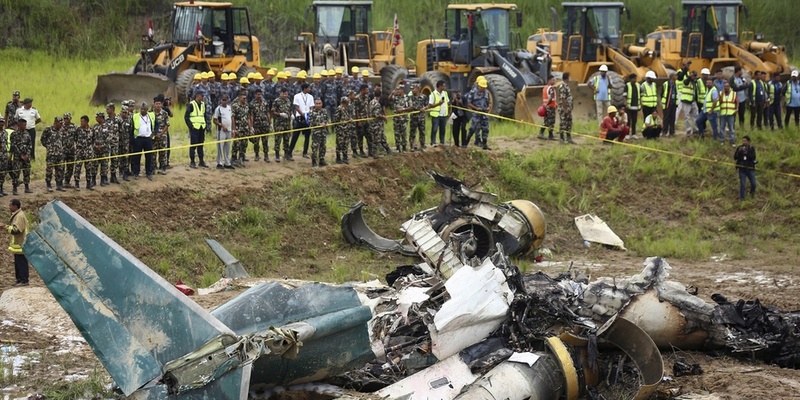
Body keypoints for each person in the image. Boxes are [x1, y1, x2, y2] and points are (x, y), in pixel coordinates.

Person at [0, 199, 29, 286]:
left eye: (10, 206)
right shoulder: (17, 215)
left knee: (21, 263)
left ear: (15, 206)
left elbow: (17, 230)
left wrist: (5, 227)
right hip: (18, 245)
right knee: (18, 263)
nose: (9, 207)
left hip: (21, 244)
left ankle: (24, 280)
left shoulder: (19, 216)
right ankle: (19, 279)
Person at [130, 103, 156, 180]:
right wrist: (133, 140)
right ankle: (136, 173)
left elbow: (157, 125)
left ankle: (149, 172)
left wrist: (154, 133)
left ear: (147, 109)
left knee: (149, 157)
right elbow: (131, 129)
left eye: (144, 109)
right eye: (141, 109)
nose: (142, 110)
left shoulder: (152, 115)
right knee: (137, 157)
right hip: (138, 139)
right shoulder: (135, 116)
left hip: (148, 139)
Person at [40, 116, 65, 192]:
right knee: (49, 170)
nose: (61, 125)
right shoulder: (48, 129)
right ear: (56, 123)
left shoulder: (61, 130)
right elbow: (42, 139)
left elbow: (62, 140)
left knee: (60, 170)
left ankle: (59, 185)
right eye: (60, 123)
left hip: (60, 154)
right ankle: (48, 185)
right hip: (51, 154)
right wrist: (48, 146)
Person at [185, 91, 209, 168]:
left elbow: (204, 116)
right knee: (193, 145)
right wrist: (191, 126)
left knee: (200, 145)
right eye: (202, 96)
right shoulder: (191, 104)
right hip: (194, 128)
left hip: (202, 127)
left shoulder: (203, 105)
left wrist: (205, 125)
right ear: (197, 96)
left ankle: (201, 161)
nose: (203, 97)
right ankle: (192, 161)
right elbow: (186, 117)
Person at [290, 83, 314, 160]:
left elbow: (312, 107)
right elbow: (296, 107)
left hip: (308, 117)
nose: (310, 89)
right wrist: (303, 114)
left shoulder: (310, 97)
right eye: (308, 88)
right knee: (295, 136)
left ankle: (305, 152)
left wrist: (309, 114)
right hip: (299, 117)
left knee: (307, 136)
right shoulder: (297, 96)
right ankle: (289, 152)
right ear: (305, 88)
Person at [10, 119, 33, 194]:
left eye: (25, 125)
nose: (25, 126)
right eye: (24, 125)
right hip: (17, 157)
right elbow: (14, 146)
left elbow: (30, 145)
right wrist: (20, 155)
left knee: (27, 172)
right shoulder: (14, 134)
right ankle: (15, 188)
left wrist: (27, 154)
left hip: (26, 157)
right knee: (16, 173)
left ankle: (27, 187)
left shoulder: (27, 134)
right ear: (19, 125)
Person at [466, 79, 490, 149]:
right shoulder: (473, 92)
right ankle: (466, 142)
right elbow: (468, 103)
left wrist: (488, 107)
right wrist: (476, 108)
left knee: (485, 128)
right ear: (478, 86)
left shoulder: (487, 92)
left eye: (484, 87)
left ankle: (484, 144)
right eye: (482, 87)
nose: (483, 89)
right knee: (473, 128)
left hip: (484, 113)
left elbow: (489, 102)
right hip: (476, 113)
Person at [213, 94, 234, 169]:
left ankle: (227, 162)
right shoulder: (218, 109)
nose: (224, 101)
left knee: (227, 147)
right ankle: (219, 163)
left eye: (225, 100)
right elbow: (214, 120)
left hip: (229, 130)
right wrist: (221, 125)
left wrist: (233, 129)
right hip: (221, 131)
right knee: (220, 146)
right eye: (223, 100)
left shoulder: (229, 108)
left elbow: (232, 118)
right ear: (221, 100)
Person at [230, 91, 252, 166]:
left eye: (245, 98)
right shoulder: (235, 106)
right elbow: (233, 118)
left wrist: (250, 127)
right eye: (243, 98)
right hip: (238, 128)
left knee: (244, 144)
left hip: (245, 128)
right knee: (236, 144)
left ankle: (241, 158)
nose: (245, 99)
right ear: (239, 97)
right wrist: (233, 129)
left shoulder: (246, 106)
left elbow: (248, 117)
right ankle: (233, 159)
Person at [250, 89, 272, 162]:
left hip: (265, 125)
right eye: (258, 94)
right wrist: (251, 126)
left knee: (265, 141)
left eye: (260, 94)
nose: (259, 96)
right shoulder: (252, 103)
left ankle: (266, 155)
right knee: (256, 141)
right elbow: (251, 115)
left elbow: (268, 112)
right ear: (255, 95)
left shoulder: (265, 102)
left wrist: (270, 123)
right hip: (256, 125)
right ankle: (256, 155)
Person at [271, 88, 292, 162]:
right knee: (278, 139)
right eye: (283, 93)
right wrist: (280, 114)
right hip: (279, 123)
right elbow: (273, 111)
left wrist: (291, 115)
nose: (285, 95)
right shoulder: (276, 101)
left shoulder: (288, 100)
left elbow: (290, 109)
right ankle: (277, 155)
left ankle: (286, 154)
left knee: (286, 139)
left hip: (287, 123)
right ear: (280, 93)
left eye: (286, 93)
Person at [73, 115, 94, 190]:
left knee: (89, 168)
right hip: (79, 152)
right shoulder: (78, 130)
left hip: (88, 152)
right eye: (80, 121)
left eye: (82, 121)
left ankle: (89, 184)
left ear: (86, 122)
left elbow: (93, 139)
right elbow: (75, 138)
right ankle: (77, 184)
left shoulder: (91, 130)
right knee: (77, 168)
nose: (81, 123)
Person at [733, 135, 756, 200]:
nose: (743, 142)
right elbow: (735, 157)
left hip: (750, 168)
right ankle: (742, 199)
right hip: (742, 168)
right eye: (743, 141)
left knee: (753, 184)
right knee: (743, 184)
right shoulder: (739, 148)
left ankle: (752, 194)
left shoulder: (751, 148)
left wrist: (747, 153)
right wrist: (740, 152)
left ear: (748, 141)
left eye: (745, 141)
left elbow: (753, 157)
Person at [152, 95, 171, 174]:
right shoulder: (150, 114)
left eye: (159, 104)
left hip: (163, 136)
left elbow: (167, 124)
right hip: (153, 136)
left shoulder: (164, 113)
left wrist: (161, 133)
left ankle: (162, 168)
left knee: (163, 153)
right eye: (156, 103)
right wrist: (154, 134)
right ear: (154, 104)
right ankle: (152, 168)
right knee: (153, 153)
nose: (158, 105)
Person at [390, 85, 412, 152]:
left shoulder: (407, 98)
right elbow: (389, 98)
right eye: (397, 90)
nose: (397, 91)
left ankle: (404, 147)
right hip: (396, 119)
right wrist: (392, 93)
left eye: (398, 90)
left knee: (403, 133)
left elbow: (411, 107)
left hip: (403, 119)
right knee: (396, 133)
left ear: (402, 90)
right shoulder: (396, 97)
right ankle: (398, 148)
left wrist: (403, 109)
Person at [308, 98, 329, 167]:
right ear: (314, 104)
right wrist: (318, 124)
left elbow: (326, 119)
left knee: (323, 146)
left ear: (322, 104)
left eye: (319, 103)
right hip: (316, 133)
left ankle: (322, 160)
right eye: (316, 103)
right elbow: (310, 123)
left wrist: (326, 123)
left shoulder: (324, 111)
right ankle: (314, 162)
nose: (318, 105)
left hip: (323, 132)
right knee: (315, 147)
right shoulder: (312, 112)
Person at [369, 90, 391, 157]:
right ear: (380, 95)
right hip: (376, 124)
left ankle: (387, 150)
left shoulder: (371, 102)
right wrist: (383, 117)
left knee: (381, 137)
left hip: (373, 123)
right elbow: (376, 114)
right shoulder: (377, 104)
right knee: (376, 139)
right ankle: (375, 154)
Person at [428, 80, 449, 146]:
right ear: (439, 86)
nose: (444, 87)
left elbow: (447, 102)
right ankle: (433, 142)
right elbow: (430, 105)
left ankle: (442, 142)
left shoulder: (445, 93)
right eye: (443, 86)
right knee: (434, 129)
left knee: (443, 130)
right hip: (436, 115)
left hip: (443, 114)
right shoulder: (433, 94)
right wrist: (438, 104)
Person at [408, 84, 428, 151]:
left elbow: (427, 105)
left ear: (418, 89)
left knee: (422, 132)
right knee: (412, 132)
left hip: (421, 117)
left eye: (413, 88)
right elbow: (411, 107)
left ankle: (422, 146)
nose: (412, 90)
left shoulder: (423, 97)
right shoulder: (411, 97)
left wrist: (424, 108)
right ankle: (412, 146)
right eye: (411, 89)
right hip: (414, 118)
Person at [679, 70, 699, 136]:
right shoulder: (686, 80)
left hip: (693, 101)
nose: (694, 77)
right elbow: (686, 82)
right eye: (693, 76)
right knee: (686, 116)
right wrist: (690, 77)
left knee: (696, 116)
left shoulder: (694, 82)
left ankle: (696, 129)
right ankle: (688, 130)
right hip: (686, 101)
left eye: (695, 76)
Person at [539, 75, 557, 140]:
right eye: (553, 80)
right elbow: (551, 97)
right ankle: (551, 135)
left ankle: (541, 133)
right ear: (549, 80)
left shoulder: (545, 88)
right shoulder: (551, 88)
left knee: (546, 121)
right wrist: (548, 104)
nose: (554, 81)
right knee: (551, 121)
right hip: (550, 107)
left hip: (546, 107)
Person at [719, 81, 738, 146]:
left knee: (731, 128)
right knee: (722, 128)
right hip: (723, 113)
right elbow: (720, 102)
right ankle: (722, 141)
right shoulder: (721, 93)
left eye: (727, 86)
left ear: (729, 87)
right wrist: (722, 94)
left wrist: (736, 109)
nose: (726, 88)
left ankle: (732, 141)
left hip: (731, 113)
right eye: (725, 86)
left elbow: (737, 102)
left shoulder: (733, 93)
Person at [661, 72, 678, 137]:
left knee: (672, 118)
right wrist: (664, 104)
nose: (677, 77)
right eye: (675, 75)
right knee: (666, 118)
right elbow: (662, 94)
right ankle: (664, 131)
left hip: (673, 103)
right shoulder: (666, 84)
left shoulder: (675, 84)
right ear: (672, 77)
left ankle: (672, 131)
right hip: (667, 104)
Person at [0, 118, 9, 196]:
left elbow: (6, 144)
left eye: (3, 122)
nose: (2, 124)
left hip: (4, 155)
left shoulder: (5, 132)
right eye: (0, 122)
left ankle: (1, 188)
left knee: (3, 172)